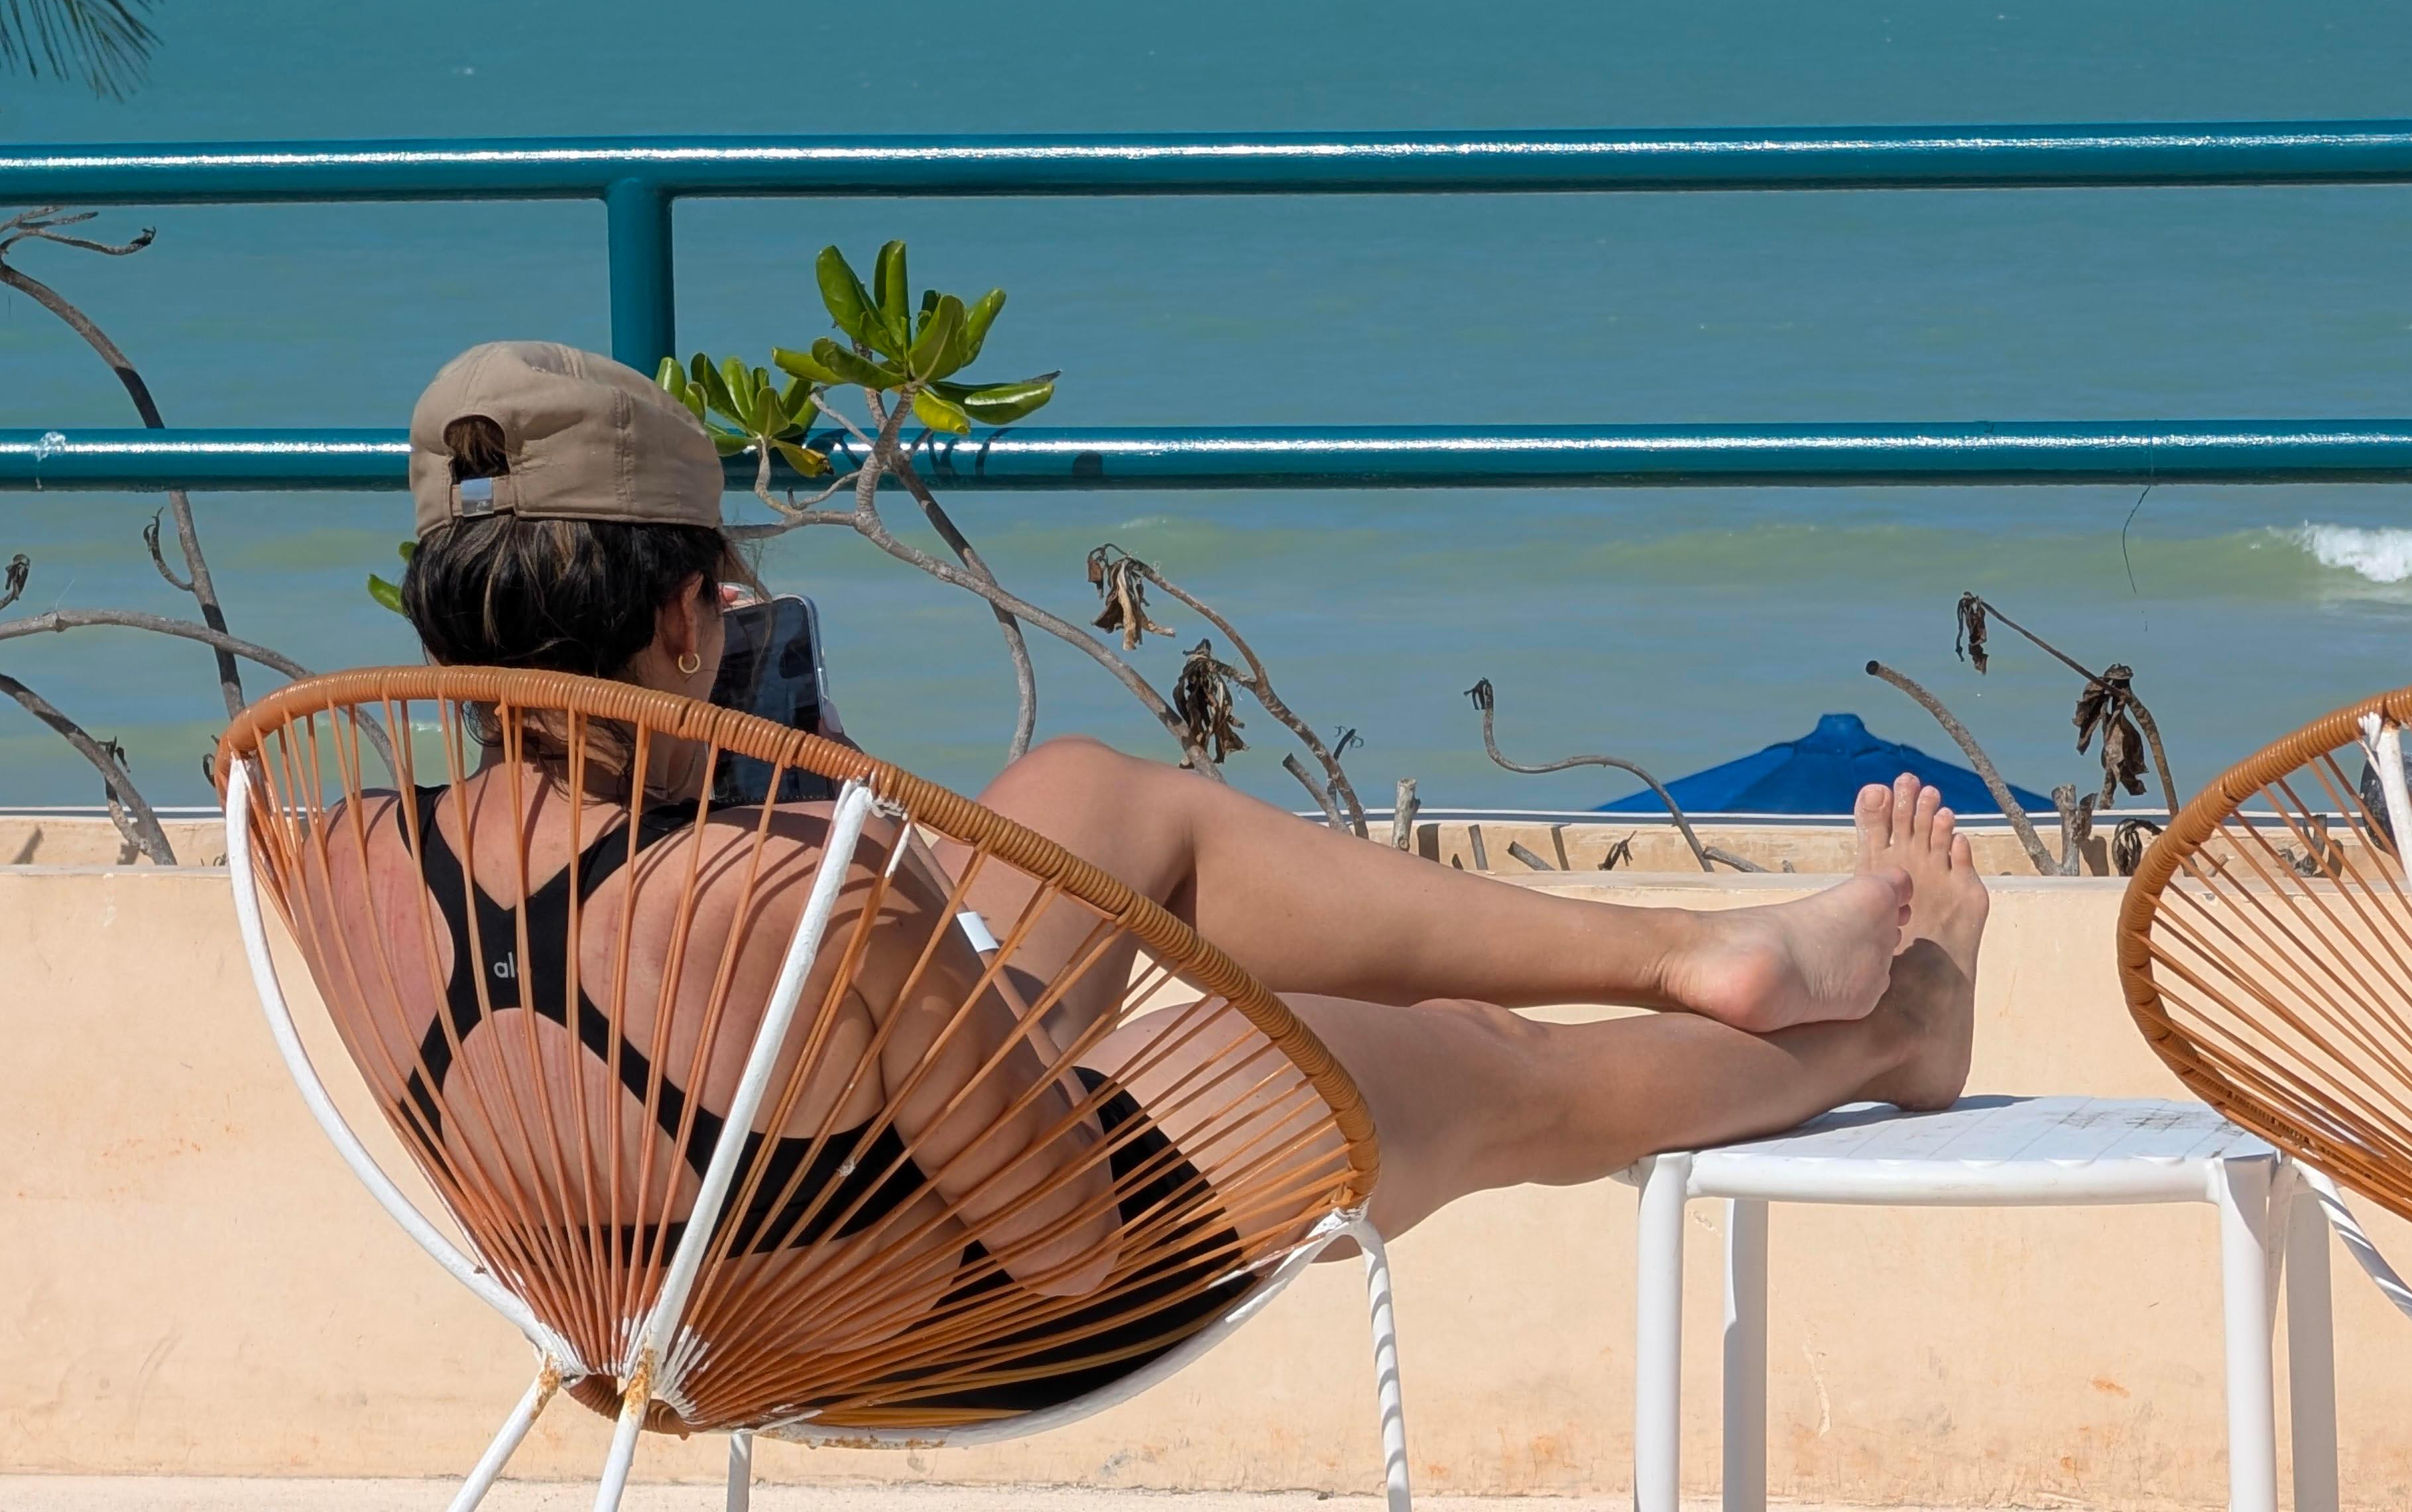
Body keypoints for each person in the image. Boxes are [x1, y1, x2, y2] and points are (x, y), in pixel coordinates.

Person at [373, 340, 1984, 1370]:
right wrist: (1041, 1012)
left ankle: (1683, 957)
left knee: (1096, 798)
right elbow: (1067, 1243)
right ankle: (1892, 1032)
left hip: (659, 1293)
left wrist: (936, 988)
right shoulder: (806, 892)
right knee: (1471, 1066)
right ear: (682, 617)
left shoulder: (349, 845)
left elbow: (613, 1027)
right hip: (921, 1316)